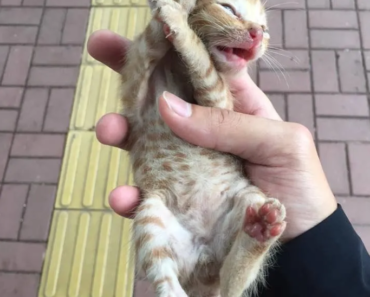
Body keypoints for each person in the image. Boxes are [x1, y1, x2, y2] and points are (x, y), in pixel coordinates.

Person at [87, 30, 370, 297]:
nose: (257, 34)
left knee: (220, 209)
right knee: (158, 210)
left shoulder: (206, 56)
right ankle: (232, 256)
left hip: (220, 205)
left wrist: (182, 31)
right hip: (184, 211)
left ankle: (214, 269)